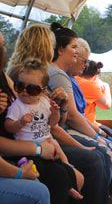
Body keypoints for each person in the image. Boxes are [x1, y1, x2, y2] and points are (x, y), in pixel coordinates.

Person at [6, 23, 112, 204]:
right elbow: (52, 125)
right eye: (51, 45)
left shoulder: (40, 76)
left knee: (96, 156)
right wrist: (84, 145)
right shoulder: (23, 77)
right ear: (44, 46)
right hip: (27, 146)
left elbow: (53, 121)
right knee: (93, 160)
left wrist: (61, 106)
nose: (53, 50)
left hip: (45, 139)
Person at [5, 58, 84, 200]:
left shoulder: (44, 102)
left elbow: (52, 124)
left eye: (32, 89)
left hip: (48, 146)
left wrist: (55, 113)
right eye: (20, 86)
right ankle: (67, 188)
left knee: (63, 170)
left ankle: (68, 186)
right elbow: (8, 127)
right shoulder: (17, 106)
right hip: (27, 151)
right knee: (51, 174)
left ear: (42, 91)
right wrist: (20, 123)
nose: (24, 92)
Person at [0, 31, 50, 204]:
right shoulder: (16, 73)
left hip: (22, 148)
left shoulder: (3, 76)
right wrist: (37, 150)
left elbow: (50, 119)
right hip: (18, 149)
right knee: (40, 191)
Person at [70, 38, 112, 163]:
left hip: (86, 123)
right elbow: (106, 105)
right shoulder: (89, 85)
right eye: (83, 61)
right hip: (87, 124)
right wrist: (107, 87)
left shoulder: (76, 80)